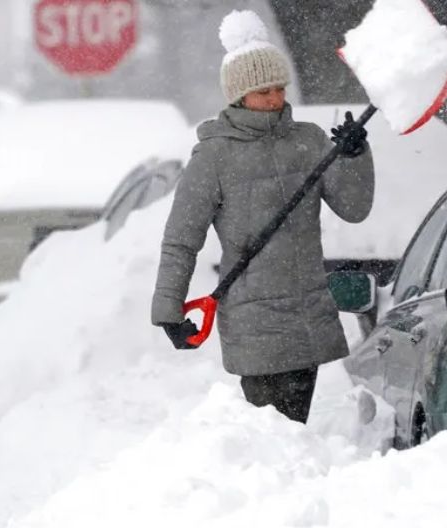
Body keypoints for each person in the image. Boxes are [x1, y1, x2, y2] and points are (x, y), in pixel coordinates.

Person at [150, 10, 375, 424]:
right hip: (255, 321)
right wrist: (168, 310)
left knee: (293, 430)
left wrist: (355, 156)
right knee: (272, 432)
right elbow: (182, 238)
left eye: (277, 88)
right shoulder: (214, 156)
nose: (274, 98)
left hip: (307, 312)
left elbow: (354, 209)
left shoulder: (308, 141)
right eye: (262, 91)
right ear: (238, 96)